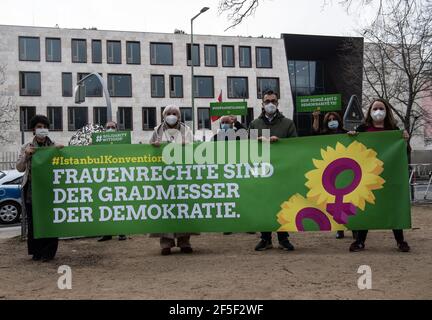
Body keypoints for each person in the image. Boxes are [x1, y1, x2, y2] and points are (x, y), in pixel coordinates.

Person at [348, 98, 411, 253]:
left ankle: (400, 240)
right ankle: (360, 241)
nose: (378, 111)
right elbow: (352, 150)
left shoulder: (394, 130)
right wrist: (351, 136)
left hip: (389, 176)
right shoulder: (362, 129)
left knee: (392, 206)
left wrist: (405, 141)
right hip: (367, 176)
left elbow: (405, 153)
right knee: (367, 206)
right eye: (375, 108)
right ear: (370, 111)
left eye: (381, 108)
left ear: (387, 111)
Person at [249, 90, 298, 252]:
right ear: (262, 104)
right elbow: (248, 148)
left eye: (273, 101)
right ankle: (265, 238)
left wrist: (280, 143)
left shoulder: (288, 124)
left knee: (283, 204)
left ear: (277, 103)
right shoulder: (255, 124)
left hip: (282, 172)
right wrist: (257, 143)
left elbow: (295, 147)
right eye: (267, 101)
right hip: (261, 172)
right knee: (264, 204)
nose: (270, 103)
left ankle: (283, 238)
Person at [149, 105, 196, 255]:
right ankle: (166, 243)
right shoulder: (157, 130)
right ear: (163, 115)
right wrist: (154, 146)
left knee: (183, 208)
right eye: (168, 113)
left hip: (182, 175)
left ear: (179, 116)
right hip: (164, 176)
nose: (171, 115)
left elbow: (196, 148)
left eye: (174, 113)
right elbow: (148, 150)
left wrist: (186, 144)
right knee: (165, 209)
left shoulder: (186, 130)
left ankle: (184, 241)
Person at [16, 115, 64, 262]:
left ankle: (49, 252)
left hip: (50, 189)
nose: (42, 130)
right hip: (31, 190)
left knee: (50, 219)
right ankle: (36, 252)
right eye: (39, 127)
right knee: (34, 221)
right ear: (33, 130)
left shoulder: (54, 145)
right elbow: (19, 168)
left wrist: (60, 151)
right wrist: (26, 155)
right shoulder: (27, 146)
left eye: (44, 127)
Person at [312, 110, 348, 239]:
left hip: (346, 168)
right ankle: (340, 228)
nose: (332, 122)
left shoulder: (345, 133)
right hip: (331, 170)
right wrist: (315, 118)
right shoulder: (324, 135)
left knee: (351, 199)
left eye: (334, 119)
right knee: (336, 200)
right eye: (329, 120)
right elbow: (314, 134)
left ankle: (355, 227)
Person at [98, 121, 127, 242]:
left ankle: (121, 232)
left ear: (117, 130)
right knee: (105, 206)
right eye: (108, 127)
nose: (110, 129)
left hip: (119, 177)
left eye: (113, 127)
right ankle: (107, 233)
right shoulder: (99, 143)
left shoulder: (123, 143)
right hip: (104, 178)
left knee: (119, 205)